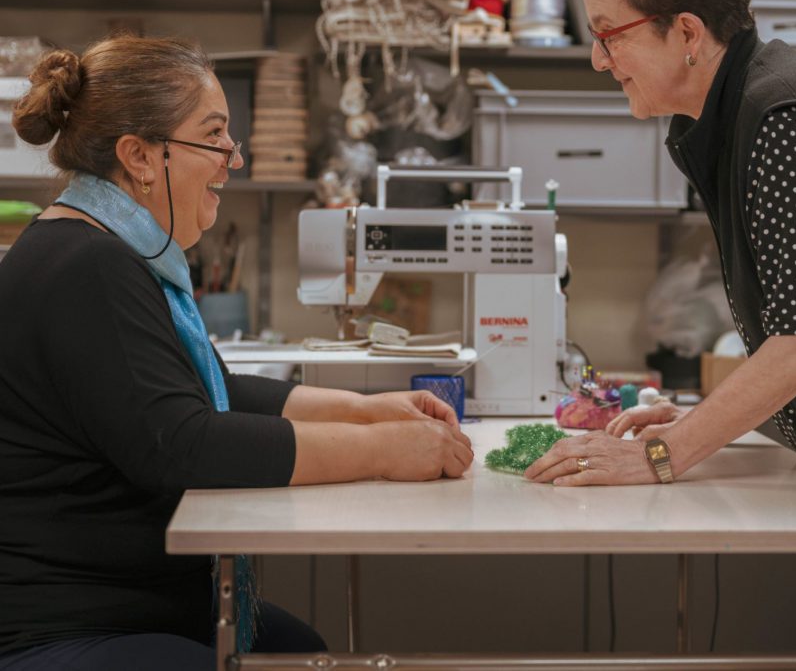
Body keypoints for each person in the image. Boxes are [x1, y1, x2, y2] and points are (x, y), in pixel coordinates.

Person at [0, 35, 474, 671]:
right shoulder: (90, 266)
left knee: (302, 649)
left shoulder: (99, 249)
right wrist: (387, 449)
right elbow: (186, 443)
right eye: (214, 136)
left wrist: (370, 408)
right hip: (70, 620)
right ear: (140, 156)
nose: (236, 157)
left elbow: (214, 388)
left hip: (129, 599)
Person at [522, 0, 796, 667]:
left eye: (608, 34)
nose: (600, 60)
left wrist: (664, 454)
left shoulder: (781, 114)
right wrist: (697, 417)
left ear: (687, 31)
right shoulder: (732, 118)